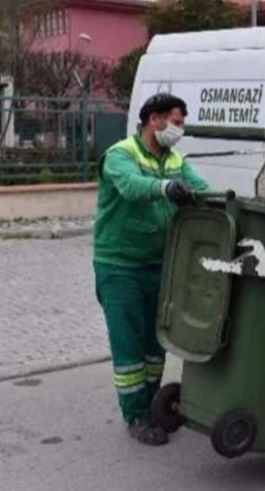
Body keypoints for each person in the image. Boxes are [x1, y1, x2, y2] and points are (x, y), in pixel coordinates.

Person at [92, 93, 210, 446]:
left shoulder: (174, 159)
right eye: (176, 121)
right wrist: (166, 188)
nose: (180, 129)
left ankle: (153, 406)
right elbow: (130, 187)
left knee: (156, 344)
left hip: (160, 265)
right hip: (120, 267)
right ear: (154, 120)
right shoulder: (120, 155)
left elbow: (203, 190)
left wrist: (237, 202)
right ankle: (136, 416)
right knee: (128, 346)